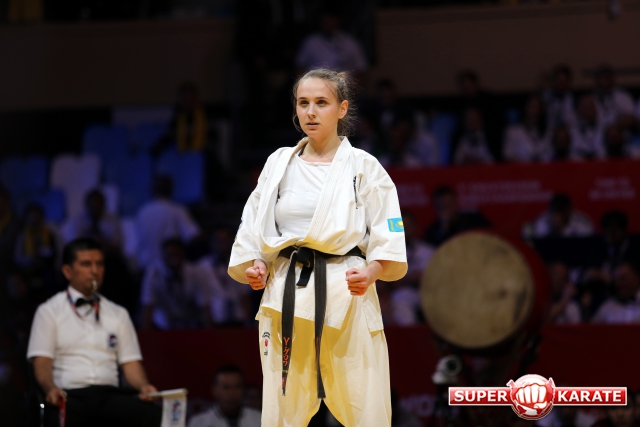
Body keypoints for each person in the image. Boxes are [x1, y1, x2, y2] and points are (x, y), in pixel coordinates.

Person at [228, 68, 407, 426]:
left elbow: (387, 233)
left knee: (366, 407)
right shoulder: (278, 162)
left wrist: (371, 272)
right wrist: (256, 264)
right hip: (286, 293)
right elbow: (253, 224)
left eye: (321, 103)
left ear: (342, 109)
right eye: (303, 103)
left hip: (348, 293)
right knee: (282, 412)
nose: (310, 112)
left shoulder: (364, 166)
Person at [26, 238, 161, 427]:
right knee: (60, 417)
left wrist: (144, 386)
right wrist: (50, 388)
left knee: (155, 415)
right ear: (67, 271)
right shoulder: (48, 311)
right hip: (70, 394)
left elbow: (130, 363)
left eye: (99, 264)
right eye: (86, 264)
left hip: (110, 395)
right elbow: (42, 362)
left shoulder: (118, 313)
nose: (95, 271)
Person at [140, 238, 213, 330]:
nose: (174, 259)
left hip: (190, 325)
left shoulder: (195, 272)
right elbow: (148, 304)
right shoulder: (153, 273)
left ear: (183, 255)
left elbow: (205, 305)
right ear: (163, 256)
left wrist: (210, 333)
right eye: (169, 255)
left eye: (177, 254)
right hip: (162, 326)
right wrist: (147, 335)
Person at [135, 175, 200, 269]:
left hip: (145, 265)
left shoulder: (142, 211)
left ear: (152, 189)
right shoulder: (177, 210)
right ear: (171, 189)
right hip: (169, 267)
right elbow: (194, 236)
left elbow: (134, 244)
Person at [295, 11, 368, 78]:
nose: (329, 23)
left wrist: (354, 88)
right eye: (326, 20)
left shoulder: (350, 42)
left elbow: (361, 69)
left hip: (343, 85)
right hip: (317, 85)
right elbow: (299, 66)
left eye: (331, 20)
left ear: (338, 21)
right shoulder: (311, 42)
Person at [188, 365, 261, 427]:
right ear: (214, 390)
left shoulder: (259, 419)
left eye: (237, 386)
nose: (232, 393)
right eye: (226, 387)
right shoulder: (199, 423)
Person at [423, 186, 491, 247]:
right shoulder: (432, 232)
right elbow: (433, 252)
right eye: (443, 207)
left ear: (456, 203)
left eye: (449, 205)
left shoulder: (474, 219)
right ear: (435, 208)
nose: (447, 210)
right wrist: (443, 230)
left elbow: (489, 237)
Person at [503, 94, 552, 163]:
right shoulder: (513, 131)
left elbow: (550, 156)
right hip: (521, 168)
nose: (534, 111)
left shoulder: (548, 132)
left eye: (538, 107)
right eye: (532, 106)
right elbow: (508, 156)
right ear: (526, 107)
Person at [527, 193, 594, 238]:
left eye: (561, 214)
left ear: (569, 211)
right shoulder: (540, 223)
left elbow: (589, 246)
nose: (557, 218)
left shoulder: (583, 224)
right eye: (554, 213)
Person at [570, 94, 606, 160]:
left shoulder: (605, 129)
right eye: (585, 107)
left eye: (591, 106)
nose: (589, 110)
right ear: (578, 110)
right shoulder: (570, 131)